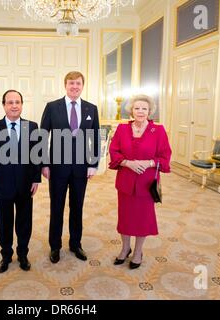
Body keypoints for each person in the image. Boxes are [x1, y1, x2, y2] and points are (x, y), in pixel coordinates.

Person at [40, 71, 100, 263]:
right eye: (71, 83)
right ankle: (55, 246)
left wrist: (93, 163)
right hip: (57, 168)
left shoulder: (91, 109)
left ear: (83, 86)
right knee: (56, 207)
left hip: (81, 168)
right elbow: (42, 137)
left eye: (78, 83)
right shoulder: (52, 107)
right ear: (65, 85)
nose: (75, 86)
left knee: (77, 207)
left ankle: (76, 244)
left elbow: (95, 138)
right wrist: (44, 163)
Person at [109, 94, 171, 269]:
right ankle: (125, 248)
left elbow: (165, 157)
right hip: (125, 182)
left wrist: (149, 162)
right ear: (131, 110)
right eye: (137, 108)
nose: (141, 111)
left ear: (149, 111)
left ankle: (138, 252)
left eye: (144, 108)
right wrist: (127, 163)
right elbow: (114, 151)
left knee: (142, 219)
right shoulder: (122, 129)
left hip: (146, 183)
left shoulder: (158, 131)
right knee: (125, 217)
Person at [0, 89, 41, 273]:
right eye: (10, 102)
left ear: (22, 105)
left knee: (25, 222)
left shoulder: (32, 126)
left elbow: (36, 156)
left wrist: (36, 179)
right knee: (4, 222)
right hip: (2, 185)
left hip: (25, 185)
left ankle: (23, 254)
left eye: (17, 102)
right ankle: (6, 255)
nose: (14, 105)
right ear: (4, 105)